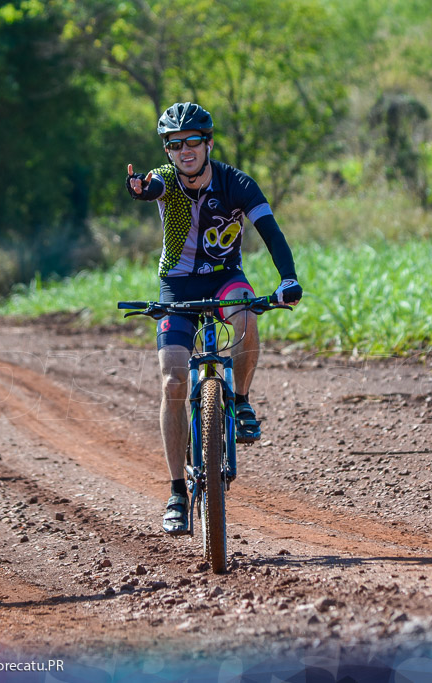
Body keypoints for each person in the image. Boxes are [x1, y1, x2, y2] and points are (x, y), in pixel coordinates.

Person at [125, 102, 303, 535]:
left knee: (244, 311)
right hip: (178, 285)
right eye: (174, 144)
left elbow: (271, 231)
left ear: (207, 143)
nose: (184, 150)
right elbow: (152, 188)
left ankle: (240, 400)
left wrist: (289, 278)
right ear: (168, 151)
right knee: (171, 381)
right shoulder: (167, 180)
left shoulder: (236, 183)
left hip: (225, 278)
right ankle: (176, 492)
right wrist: (139, 190)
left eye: (192, 142)